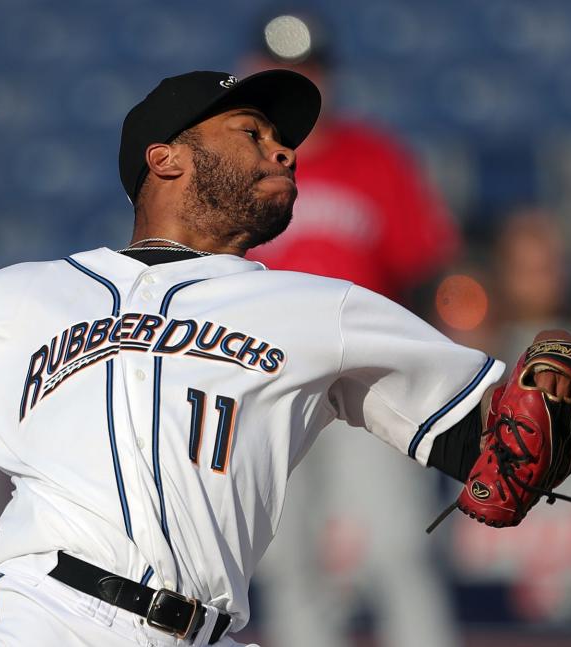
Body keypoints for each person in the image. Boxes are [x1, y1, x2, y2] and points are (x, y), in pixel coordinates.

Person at [0, 47, 571, 646]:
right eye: (252, 129)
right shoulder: (19, 297)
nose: (285, 150)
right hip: (46, 615)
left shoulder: (325, 309)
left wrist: (548, 434)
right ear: (164, 157)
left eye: (284, 138)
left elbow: (494, 436)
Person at [240, 12, 462, 647]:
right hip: (266, 380)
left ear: (329, 79)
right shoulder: (228, 169)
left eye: (307, 72)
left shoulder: (376, 160)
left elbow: (426, 273)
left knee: (396, 545)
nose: (294, 84)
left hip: (368, 377)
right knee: (287, 560)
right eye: (278, 70)